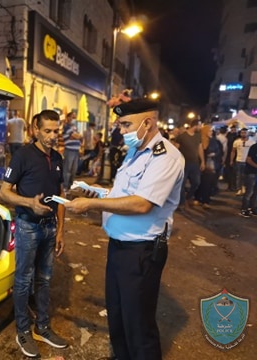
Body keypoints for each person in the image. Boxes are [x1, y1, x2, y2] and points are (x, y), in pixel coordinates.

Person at [64, 99, 184, 360]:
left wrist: (91, 204)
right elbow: (123, 193)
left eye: (126, 124)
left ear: (148, 122)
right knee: (118, 315)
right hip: (119, 247)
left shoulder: (165, 156)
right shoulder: (135, 152)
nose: (121, 130)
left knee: (138, 324)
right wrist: (95, 190)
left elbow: (142, 204)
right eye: (120, 124)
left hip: (141, 252)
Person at [0, 110, 67, 358]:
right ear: (35, 130)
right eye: (47, 131)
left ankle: (43, 327)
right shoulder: (22, 155)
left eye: (55, 131)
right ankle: (23, 330)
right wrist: (29, 203)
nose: (51, 136)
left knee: (45, 279)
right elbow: (4, 192)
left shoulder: (58, 158)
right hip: (28, 226)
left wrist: (60, 231)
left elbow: (60, 198)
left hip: (50, 228)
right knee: (24, 280)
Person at [176, 119, 205, 209]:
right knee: (182, 184)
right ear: (195, 125)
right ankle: (182, 202)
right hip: (184, 164)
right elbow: (176, 150)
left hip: (195, 163)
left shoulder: (197, 136)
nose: (200, 128)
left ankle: (188, 198)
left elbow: (200, 149)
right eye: (200, 126)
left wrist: (202, 161)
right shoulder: (181, 136)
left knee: (196, 182)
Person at [194, 125, 222, 208]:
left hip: (210, 165)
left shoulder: (214, 141)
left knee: (208, 183)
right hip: (200, 165)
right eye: (209, 131)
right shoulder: (199, 140)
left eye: (211, 131)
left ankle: (205, 200)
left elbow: (219, 152)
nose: (211, 132)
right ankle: (198, 198)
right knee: (200, 183)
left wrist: (214, 154)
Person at [230, 128, 255, 195]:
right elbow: (233, 151)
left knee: (246, 176)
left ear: (248, 133)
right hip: (238, 160)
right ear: (240, 133)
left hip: (247, 162)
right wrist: (231, 160)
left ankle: (244, 187)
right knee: (238, 176)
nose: (244, 134)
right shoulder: (236, 142)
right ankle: (239, 189)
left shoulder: (252, 142)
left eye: (245, 132)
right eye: (242, 132)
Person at [62, 111, 82, 192]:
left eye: (75, 117)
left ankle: (70, 186)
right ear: (68, 118)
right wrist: (76, 136)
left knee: (74, 170)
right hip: (69, 150)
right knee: (67, 169)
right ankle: (65, 187)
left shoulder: (75, 127)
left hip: (76, 150)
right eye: (72, 117)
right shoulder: (66, 126)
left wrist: (76, 137)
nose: (74, 119)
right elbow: (76, 136)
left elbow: (79, 136)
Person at [240, 141, 257, 217]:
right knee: (249, 192)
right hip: (251, 172)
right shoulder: (254, 147)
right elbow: (248, 159)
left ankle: (252, 208)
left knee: (255, 192)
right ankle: (244, 209)